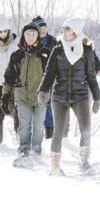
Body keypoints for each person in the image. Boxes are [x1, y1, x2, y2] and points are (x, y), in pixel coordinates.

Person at [37, 17, 100, 176]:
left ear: (76, 31)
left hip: (80, 96)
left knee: (86, 129)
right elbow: (49, 74)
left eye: (67, 29)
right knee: (58, 130)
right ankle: (54, 165)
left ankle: (84, 162)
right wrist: (43, 91)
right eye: (63, 28)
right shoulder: (58, 50)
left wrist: (97, 97)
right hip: (60, 97)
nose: (63, 31)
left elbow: (91, 76)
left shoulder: (86, 51)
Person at [1, 22, 51, 167]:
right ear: (23, 35)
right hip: (22, 96)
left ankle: (36, 152)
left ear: (38, 36)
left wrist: (47, 92)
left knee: (37, 127)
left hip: (40, 97)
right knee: (24, 126)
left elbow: (52, 76)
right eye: (27, 34)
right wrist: (5, 96)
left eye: (33, 34)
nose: (30, 37)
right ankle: (24, 152)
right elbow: (9, 77)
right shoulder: (17, 55)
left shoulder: (46, 53)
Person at [32, 15, 57, 139]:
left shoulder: (53, 41)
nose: (43, 29)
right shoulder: (31, 40)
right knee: (34, 106)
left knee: (48, 107)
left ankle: (49, 135)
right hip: (33, 78)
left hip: (49, 78)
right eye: (40, 26)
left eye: (44, 26)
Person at [0, 14, 18, 144]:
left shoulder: (16, 43)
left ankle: (20, 141)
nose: (3, 34)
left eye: (5, 31)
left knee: (17, 112)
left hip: (13, 83)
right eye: (0, 31)